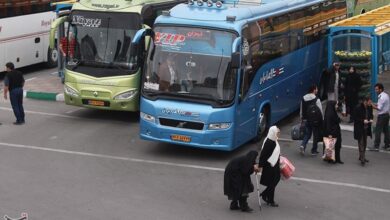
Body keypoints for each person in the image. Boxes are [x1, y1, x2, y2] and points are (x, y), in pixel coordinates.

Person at [258, 126, 281, 207]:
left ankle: (265, 194)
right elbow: (263, 155)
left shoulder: (273, 140)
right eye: (277, 133)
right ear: (273, 133)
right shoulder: (269, 142)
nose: (278, 134)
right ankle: (270, 200)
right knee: (273, 182)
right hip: (270, 166)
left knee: (274, 181)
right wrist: (260, 166)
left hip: (274, 164)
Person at [299, 85, 323, 156]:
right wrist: (321, 120)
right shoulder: (316, 99)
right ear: (314, 90)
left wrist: (301, 118)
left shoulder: (303, 98)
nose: (317, 90)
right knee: (315, 135)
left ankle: (303, 145)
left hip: (306, 119)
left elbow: (301, 109)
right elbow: (320, 111)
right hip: (315, 121)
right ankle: (313, 150)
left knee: (307, 133)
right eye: (316, 89)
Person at [353, 97, 373, 166]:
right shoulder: (358, 108)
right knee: (361, 143)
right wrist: (362, 120)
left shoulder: (369, 107)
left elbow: (371, 115)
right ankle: (362, 159)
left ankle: (361, 156)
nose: (370, 103)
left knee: (365, 143)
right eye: (369, 102)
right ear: (365, 101)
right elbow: (355, 118)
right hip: (359, 128)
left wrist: (370, 119)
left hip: (366, 128)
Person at [371, 83, 390, 151]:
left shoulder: (381, 97)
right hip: (387, 115)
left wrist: (371, 105)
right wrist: (374, 104)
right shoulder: (386, 95)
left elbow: (379, 108)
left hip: (382, 116)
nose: (375, 90)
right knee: (386, 130)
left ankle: (376, 146)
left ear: (380, 89)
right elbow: (380, 104)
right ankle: (387, 145)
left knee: (378, 130)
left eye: (376, 89)